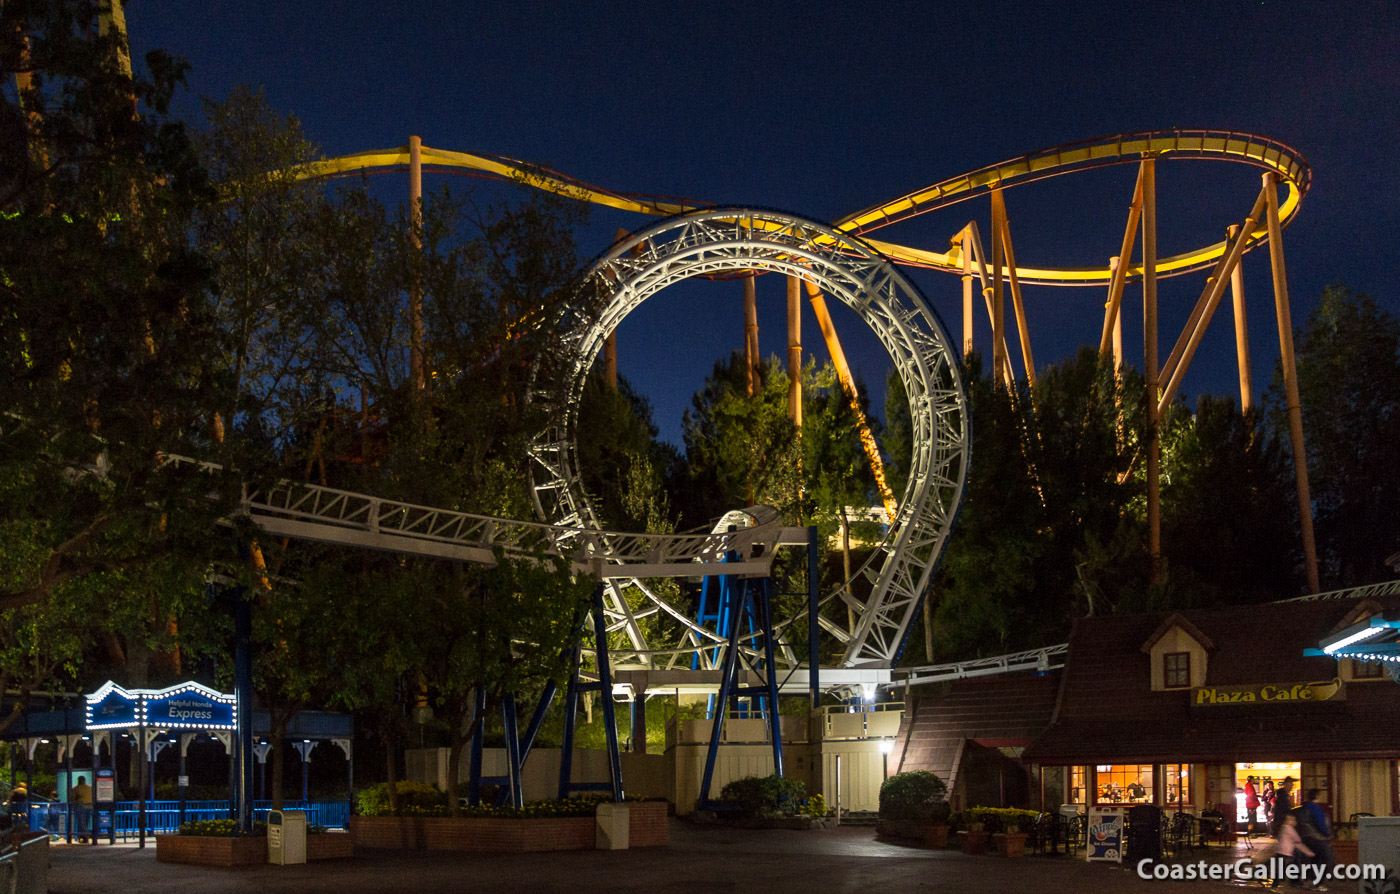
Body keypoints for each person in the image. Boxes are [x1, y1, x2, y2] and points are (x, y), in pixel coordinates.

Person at [1298, 789, 1335, 878]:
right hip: (1317, 837)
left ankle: (1309, 879)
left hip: (1306, 837)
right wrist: (1327, 834)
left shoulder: (1305, 807)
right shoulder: (1315, 809)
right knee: (1325, 859)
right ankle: (1316, 880)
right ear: (1316, 796)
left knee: (1312, 859)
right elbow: (1321, 824)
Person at [1275, 814, 1316, 889]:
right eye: (1294, 820)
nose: (1295, 822)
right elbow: (1297, 841)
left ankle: (1295, 882)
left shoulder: (1283, 828)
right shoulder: (1289, 828)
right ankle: (1275, 886)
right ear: (1290, 821)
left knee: (1289, 868)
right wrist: (1308, 852)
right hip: (1286, 853)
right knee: (1286, 869)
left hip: (1281, 852)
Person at [69, 775, 92, 842]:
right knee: (86, 822)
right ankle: (83, 836)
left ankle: (84, 835)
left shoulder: (76, 788)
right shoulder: (90, 788)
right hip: (89, 807)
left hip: (80, 807)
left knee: (81, 822)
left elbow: (73, 799)